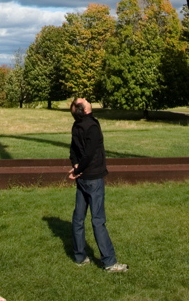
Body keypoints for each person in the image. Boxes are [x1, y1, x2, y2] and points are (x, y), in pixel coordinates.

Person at [68, 97, 127, 272]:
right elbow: (88, 153)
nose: (85, 98)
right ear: (84, 110)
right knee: (98, 220)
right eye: (83, 100)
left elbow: (74, 150)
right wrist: (78, 169)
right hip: (92, 178)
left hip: (83, 177)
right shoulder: (91, 126)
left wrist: (76, 166)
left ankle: (80, 257)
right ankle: (109, 262)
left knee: (78, 218)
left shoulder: (77, 125)